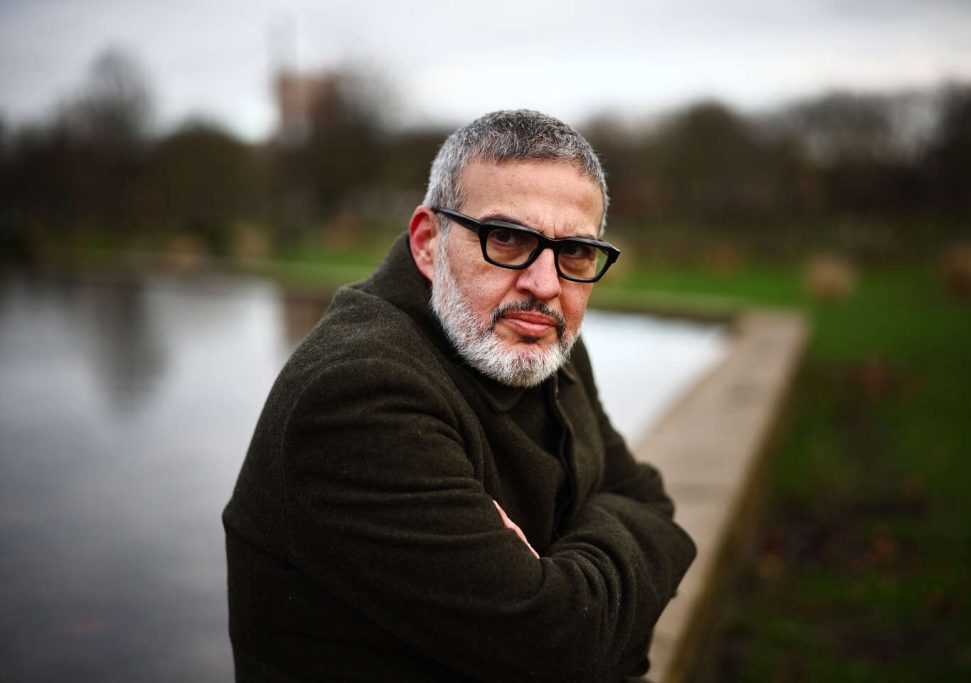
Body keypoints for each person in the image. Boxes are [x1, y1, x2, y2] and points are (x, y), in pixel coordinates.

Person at [223, 110, 696, 682]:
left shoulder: (540, 339)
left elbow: (651, 504)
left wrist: (569, 578)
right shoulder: (357, 395)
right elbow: (559, 649)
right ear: (428, 242)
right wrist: (610, 567)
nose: (545, 285)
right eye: (506, 238)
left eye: (575, 250)